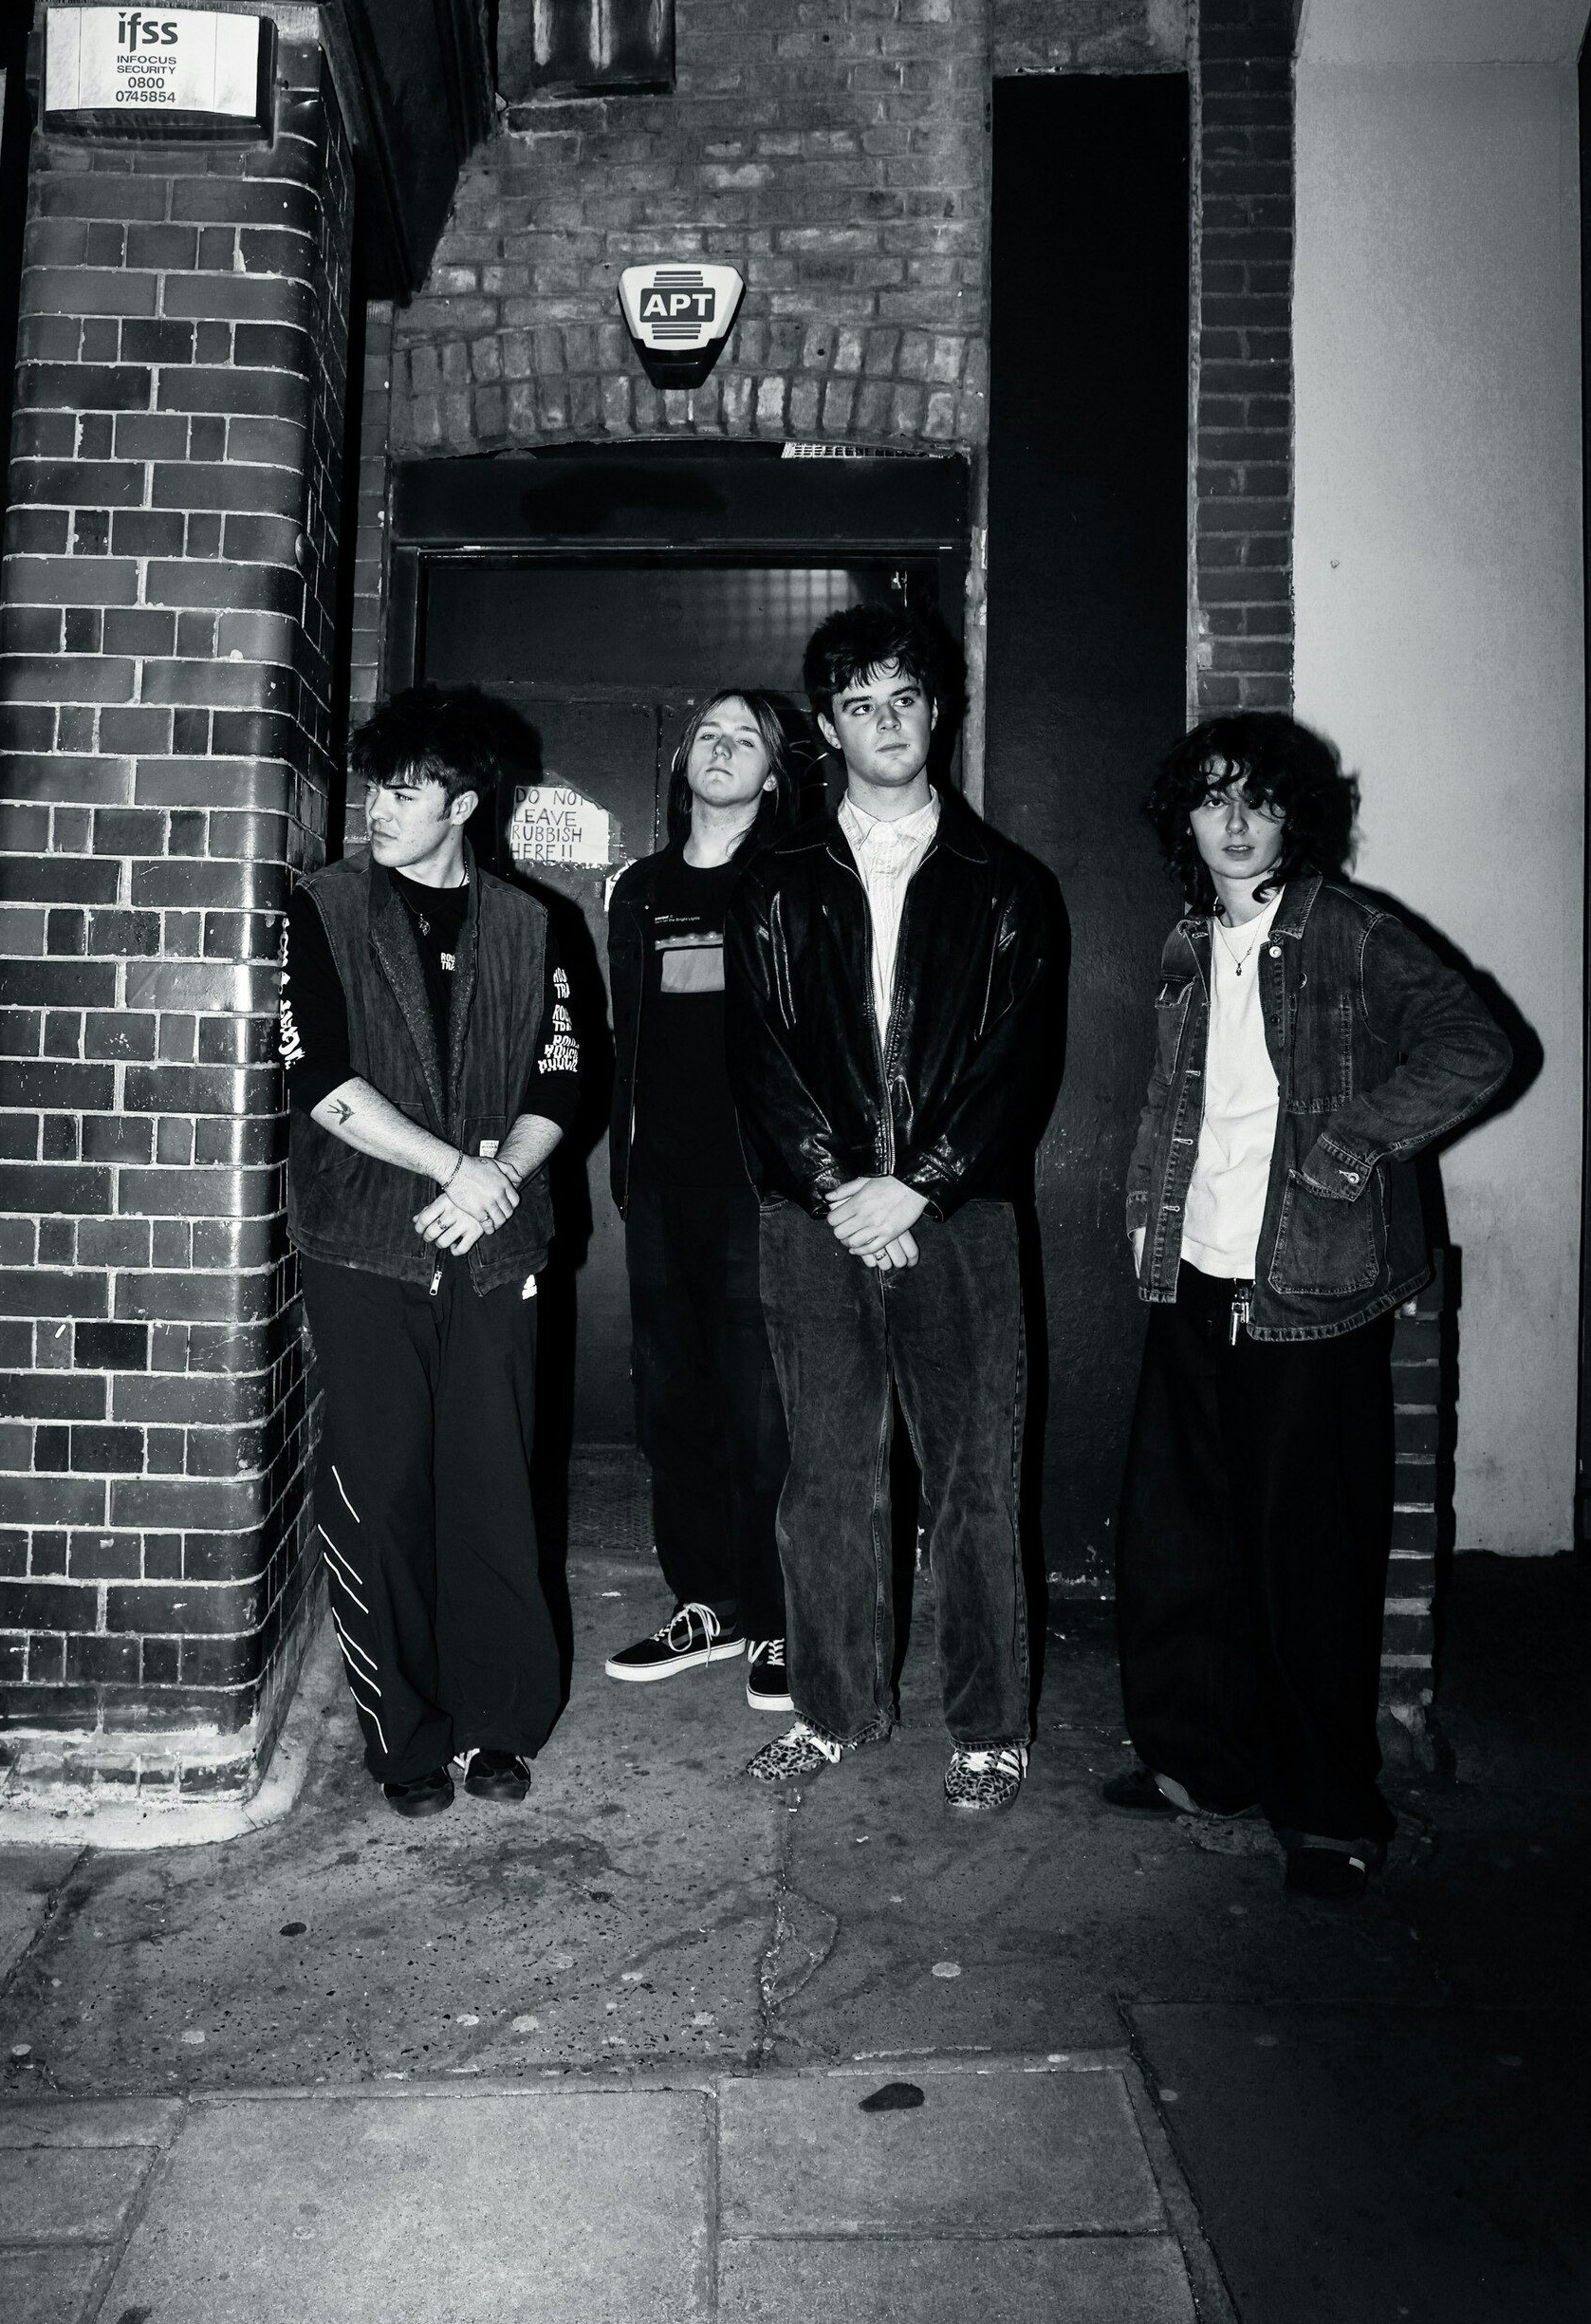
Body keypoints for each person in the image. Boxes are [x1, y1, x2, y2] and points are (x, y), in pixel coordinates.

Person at [1113, 715, 1510, 1896]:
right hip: (1193, 1274)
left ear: (1298, 814)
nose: (1236, 822)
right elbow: (1176, 1100)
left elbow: (1476, 1045)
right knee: (1183, 1547)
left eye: (1261, 798)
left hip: (1310, 1291)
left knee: (1307, 1565)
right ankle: (1206, 1763)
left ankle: (1330, 1814)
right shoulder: (1190, 939)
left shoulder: (1350, 930)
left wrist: (1347, 1148)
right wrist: (1146, 1213)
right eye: (1212, 799)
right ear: (1185, 820)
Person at [725, 605, 1056, 1812]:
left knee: (975, 1479)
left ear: (936, 711)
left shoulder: (1008, 885)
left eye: (903, 699)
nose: (886, 723)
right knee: (826, 1478)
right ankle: (834, 1709)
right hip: (813, 1222)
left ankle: (989, 1729)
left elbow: (1019, 1064)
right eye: (860, 705)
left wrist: (918, 1184)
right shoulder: (773, 883)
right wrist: (840, 1190)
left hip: (959, 1218)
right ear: (828, 729)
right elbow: (757, 1056)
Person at [278, 687, 583, 1818]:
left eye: (404, 793)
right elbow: (320, 1081)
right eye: (376, 789)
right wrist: (458, 1170)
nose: (378, 811)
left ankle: (501, 1719)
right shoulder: (324, 907)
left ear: (463, 803)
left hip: (497, 1249)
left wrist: (497, 1183)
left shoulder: (533, 924)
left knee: (495, 1484)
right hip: (366, 1246)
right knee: (381, 1489)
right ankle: (404, 1737)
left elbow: (561, 1079)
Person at [602, 689, 796, 1713]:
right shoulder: (639, 889)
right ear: (684, 761)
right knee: (672, 1405)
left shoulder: (797, 878)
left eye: (745, 739)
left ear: (774, 772)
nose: (722, 750)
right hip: (662, 1188)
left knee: (766, 1413)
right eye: (708, 736)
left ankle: (779, 1618)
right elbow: (630, 1037)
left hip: (761, 1191)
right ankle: (707, 1605)